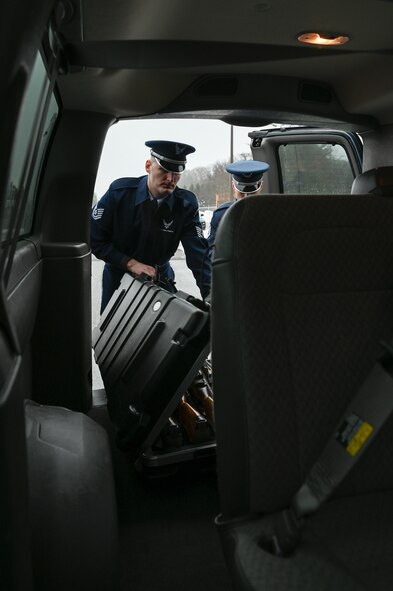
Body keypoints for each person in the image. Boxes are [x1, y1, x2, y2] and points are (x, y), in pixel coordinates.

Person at [91, 140, 211, 313]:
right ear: (148, 166)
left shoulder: (186, 205)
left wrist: (212, 297)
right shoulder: (119, 193)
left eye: (176, 172)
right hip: (119, 277)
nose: (170, 179)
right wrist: (130, 264)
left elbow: (199, 257)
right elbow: (95, 239)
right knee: (113, 336)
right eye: (163, 169)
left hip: (160, 278)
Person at [207, 159, 270, 248]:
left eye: (252, 193)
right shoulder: (221, 215)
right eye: (241, 193)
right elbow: (211, 250)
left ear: (261, 186)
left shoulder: (271, 213)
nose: (246, 197)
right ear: (233, 186)